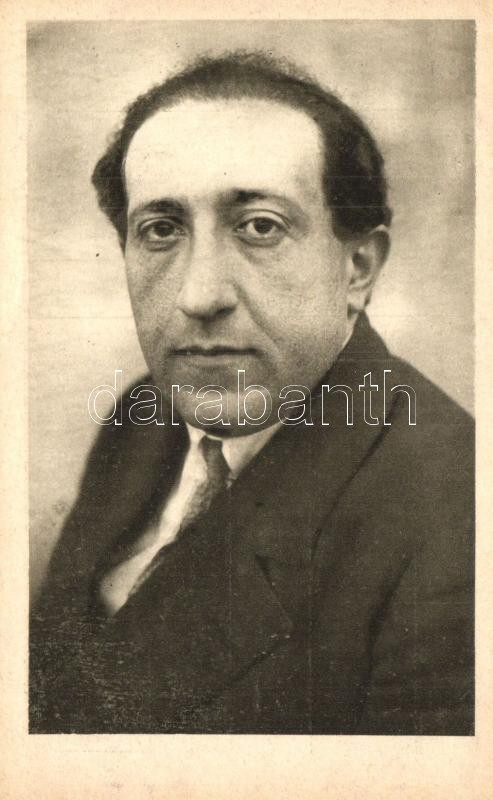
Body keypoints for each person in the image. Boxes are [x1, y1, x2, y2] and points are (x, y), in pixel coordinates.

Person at [30, 52, 474, 735]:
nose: (199, 294)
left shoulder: (459, 514)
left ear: (357, 268)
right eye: (160, 230)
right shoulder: (143, 417)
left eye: (260, 226)